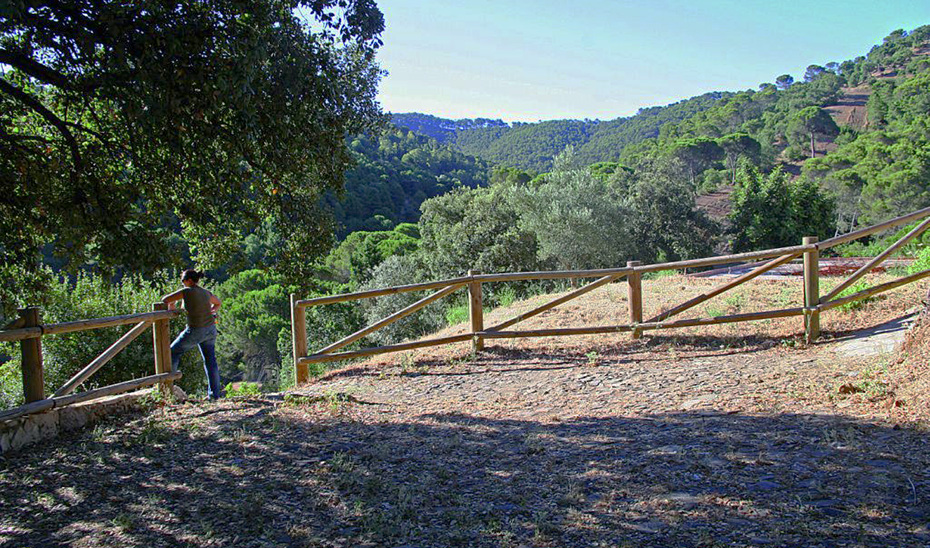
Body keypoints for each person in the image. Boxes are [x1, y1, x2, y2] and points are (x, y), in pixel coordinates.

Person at [162, 269, 224, 399]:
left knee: (172, 352)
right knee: (210, 361)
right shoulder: (205, 292)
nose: (182, 283)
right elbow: (218, 303)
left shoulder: (187, 291)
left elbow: (165, 299)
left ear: (189, 280)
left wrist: (172, 305)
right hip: (210, 329)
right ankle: (214, 395)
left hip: (196, 329)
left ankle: (167, 390)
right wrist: (211, 311)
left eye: (183, 280)